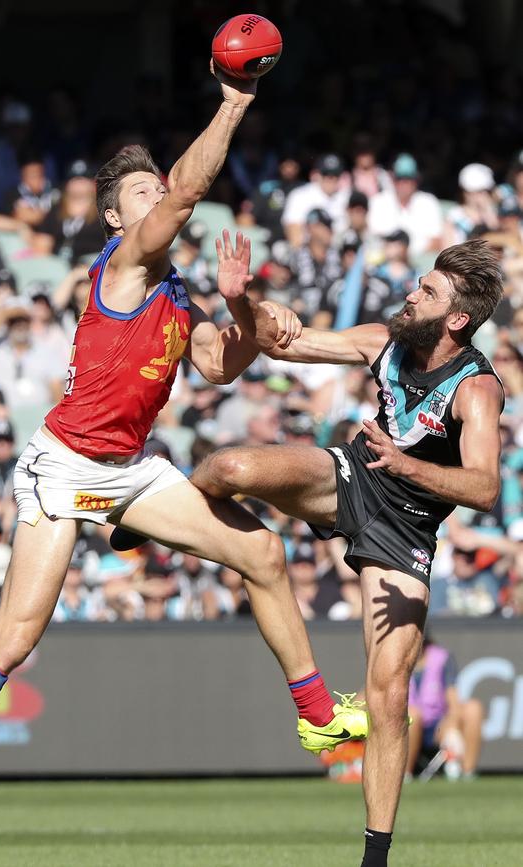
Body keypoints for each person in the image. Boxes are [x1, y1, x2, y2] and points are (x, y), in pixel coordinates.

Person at [0, 63, 367, 867]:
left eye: (156, 189)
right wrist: (233, 104)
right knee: (14, 636)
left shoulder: (174, 290)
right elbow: (185, 195)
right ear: (116, 214)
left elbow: (219, 365)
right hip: (66, 464)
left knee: (261, 550)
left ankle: (316, 712)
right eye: (142, 192)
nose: (158, 198)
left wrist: (243, 305)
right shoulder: (126, 260)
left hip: (134, 467)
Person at [186, 237, 503, 866]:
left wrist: (407, 466)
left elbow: (486, 487)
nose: (412, 294)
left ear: (457, 319)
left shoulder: (478, 388)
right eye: (420, 283)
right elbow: (281, 343)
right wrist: (240, 301)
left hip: (407, 528)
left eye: (428, 292)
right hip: (351, 478)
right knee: (229, 466)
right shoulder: (380, 341)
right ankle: (149, 519)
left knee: (388, 694)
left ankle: (375, 857)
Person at [407, 635, 483, 780]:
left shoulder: (442, 658)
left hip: (437, 724)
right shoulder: (391, 657)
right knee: (413, 715)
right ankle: (404, 775)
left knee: (473, 708)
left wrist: (451, 725)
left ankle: (468, 772)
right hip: (404, 724)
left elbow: (453, 699)